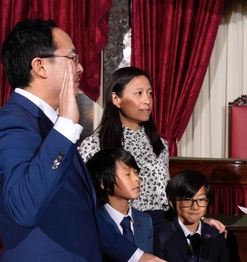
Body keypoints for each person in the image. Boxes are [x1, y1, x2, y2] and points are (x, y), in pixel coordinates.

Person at [0, 19, 174, 262]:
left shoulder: (50, 126)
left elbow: (80, 212)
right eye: (72, 58)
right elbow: (24, 207)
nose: (81, 68)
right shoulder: (13, 123)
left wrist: (134, 255)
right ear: (40, 66)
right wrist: (67, 126)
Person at [79, 66, 226, 234]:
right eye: (138, 93)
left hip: (159, 228)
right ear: (116, 99)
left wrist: (198, 221)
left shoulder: (159, 144)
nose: (147, 100)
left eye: (149, 93)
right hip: (117, 231)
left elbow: (166, 200)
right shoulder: (95, 145)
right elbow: (85, 199)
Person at [86, 147, 158, 262]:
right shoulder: (93, 222)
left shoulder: (145, 221)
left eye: (136, 172)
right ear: (104, 182)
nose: (136, 179)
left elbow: (145, 260)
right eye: (127, 174)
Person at [154, 170, 234, 262]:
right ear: (171, 201)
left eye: (201, 200)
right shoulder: (161, 236)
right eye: (187, 199)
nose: (195, 206)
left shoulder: (216, 235)